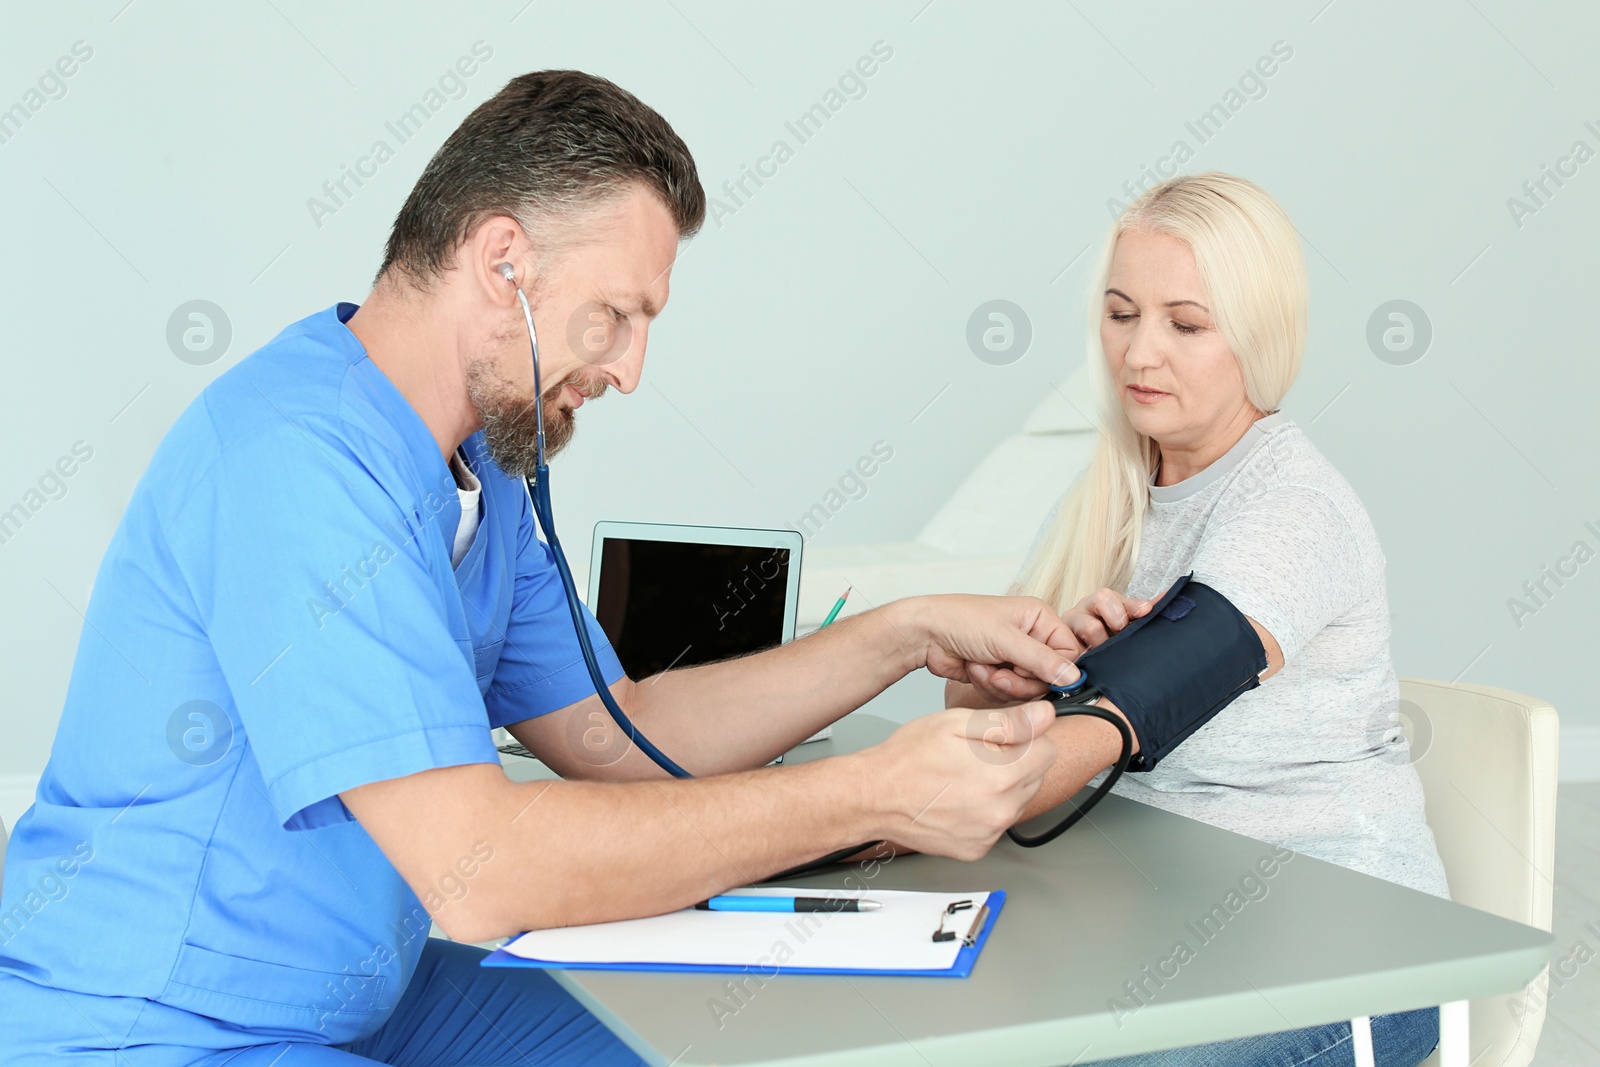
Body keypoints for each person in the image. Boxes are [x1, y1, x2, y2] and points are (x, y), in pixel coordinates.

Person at [0, 70, 1086, 1066]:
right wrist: (864, 791)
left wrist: (900, 633)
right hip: (156, 1022)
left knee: (713, 1047)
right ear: (502, 260)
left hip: (366, 993)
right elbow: (484, 865)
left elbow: (619, 733)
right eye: (614, 315)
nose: (628, 367)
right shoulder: (296, 461)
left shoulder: (484, 468)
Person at [946, 172, 1448, 1067]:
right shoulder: (1115, 496)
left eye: (1185, 324)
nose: (1140, 354)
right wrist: (1008, 684)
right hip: (1172, 925)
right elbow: (1001, 722)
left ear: (1258, 336)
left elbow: (1152, 698)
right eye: (1120, 313)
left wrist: (866, 807)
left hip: (1350, 961)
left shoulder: (1295, 507)